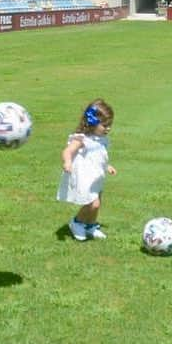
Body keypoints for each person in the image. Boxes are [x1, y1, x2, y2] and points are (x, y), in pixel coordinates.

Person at [57, 99, 117, 241]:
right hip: (85, 177)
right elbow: (67, 151)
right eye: (104, 125)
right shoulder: (81, 138)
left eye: (110, 125)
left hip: (97, 176)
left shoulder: (101, 139)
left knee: (97, 204)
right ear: (92, 122)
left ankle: (90, 225)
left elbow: (99, 157)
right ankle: (77, 223)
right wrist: (67, 162)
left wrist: (107, 166)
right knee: (92, 204)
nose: (108, 129)